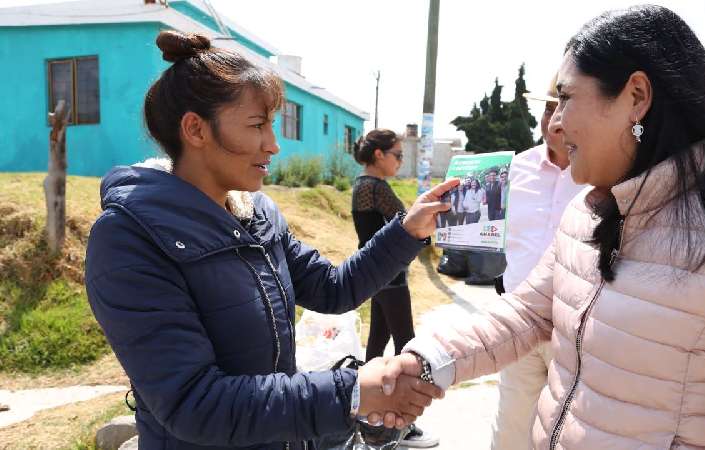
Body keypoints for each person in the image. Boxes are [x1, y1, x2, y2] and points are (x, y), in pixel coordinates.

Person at [384, 5, 705, 448]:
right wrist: (422, 361)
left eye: (565, 97)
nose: (555, 122)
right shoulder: (589, 210)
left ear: (636, 97)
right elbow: (526, 314)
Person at [84, 31, 455, 450]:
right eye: (257, 125)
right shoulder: (129, 239)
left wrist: (408, 229)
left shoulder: (255, 216)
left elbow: (335, 289)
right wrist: (349, 391)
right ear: (195, 129)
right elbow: (194, 404)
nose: (273, 144)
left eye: (273, 125)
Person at [490, 75, 585, 450]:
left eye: (561, 107)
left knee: (569, 433)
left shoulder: (604, 176)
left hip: (577, 330)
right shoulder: (512, 171)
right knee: (512, 428)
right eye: (547, 108)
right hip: (519, 324)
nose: (553, 119)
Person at [351, 128, 439, 448]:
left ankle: (362, 415)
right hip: (390, 276)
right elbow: (411, 222)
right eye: (398, 155)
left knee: (377, 343)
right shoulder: (376, 187)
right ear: (379, 155)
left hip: (376, 274)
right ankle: (402, 423)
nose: (401, 161)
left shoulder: (362, 185)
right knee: (407, 346)